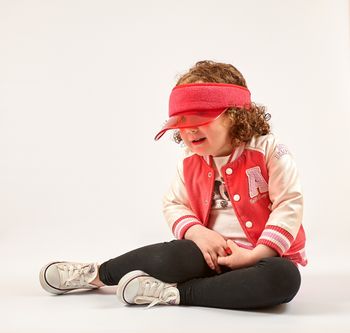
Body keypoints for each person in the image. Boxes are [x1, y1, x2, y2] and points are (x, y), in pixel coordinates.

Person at [39, 60, 307, 310]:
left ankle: (175, 293)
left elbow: (289, 202)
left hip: (262, 259)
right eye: (181, 122)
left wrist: (255, 255)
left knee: (284, 279)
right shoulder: (191, 162)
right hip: (209, 254)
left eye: (200, 119)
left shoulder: (269, 151)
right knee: (170, 255)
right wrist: (197, 233)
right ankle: (97, 274)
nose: (189, 130)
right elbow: (174, 203)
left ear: (234, 115)